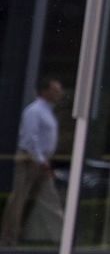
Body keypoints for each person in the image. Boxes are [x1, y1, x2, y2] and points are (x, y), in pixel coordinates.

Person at [2, 76, 63, 244]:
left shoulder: (47, 112)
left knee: (49, 199)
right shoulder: (34, 111)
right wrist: (40, 160)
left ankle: (62, 238)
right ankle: (8, 238)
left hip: (41, 160)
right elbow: (30, 138)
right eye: (55, 90)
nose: (59, 94)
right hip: (30, 160)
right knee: (19, 199)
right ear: (45, 91)